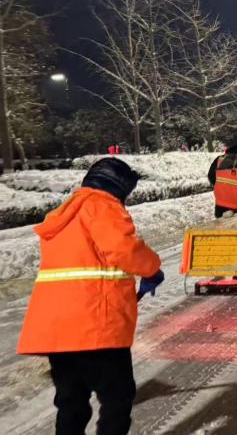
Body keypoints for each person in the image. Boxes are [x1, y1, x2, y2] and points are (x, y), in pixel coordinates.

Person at [17, 158, 163, 435]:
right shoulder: (102, 205)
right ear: (118, 185)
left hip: (57, 330)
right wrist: (152, 268)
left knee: (71, 403)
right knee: (117, 398)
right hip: (95, 326)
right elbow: (124, 250)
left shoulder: (65, 213)